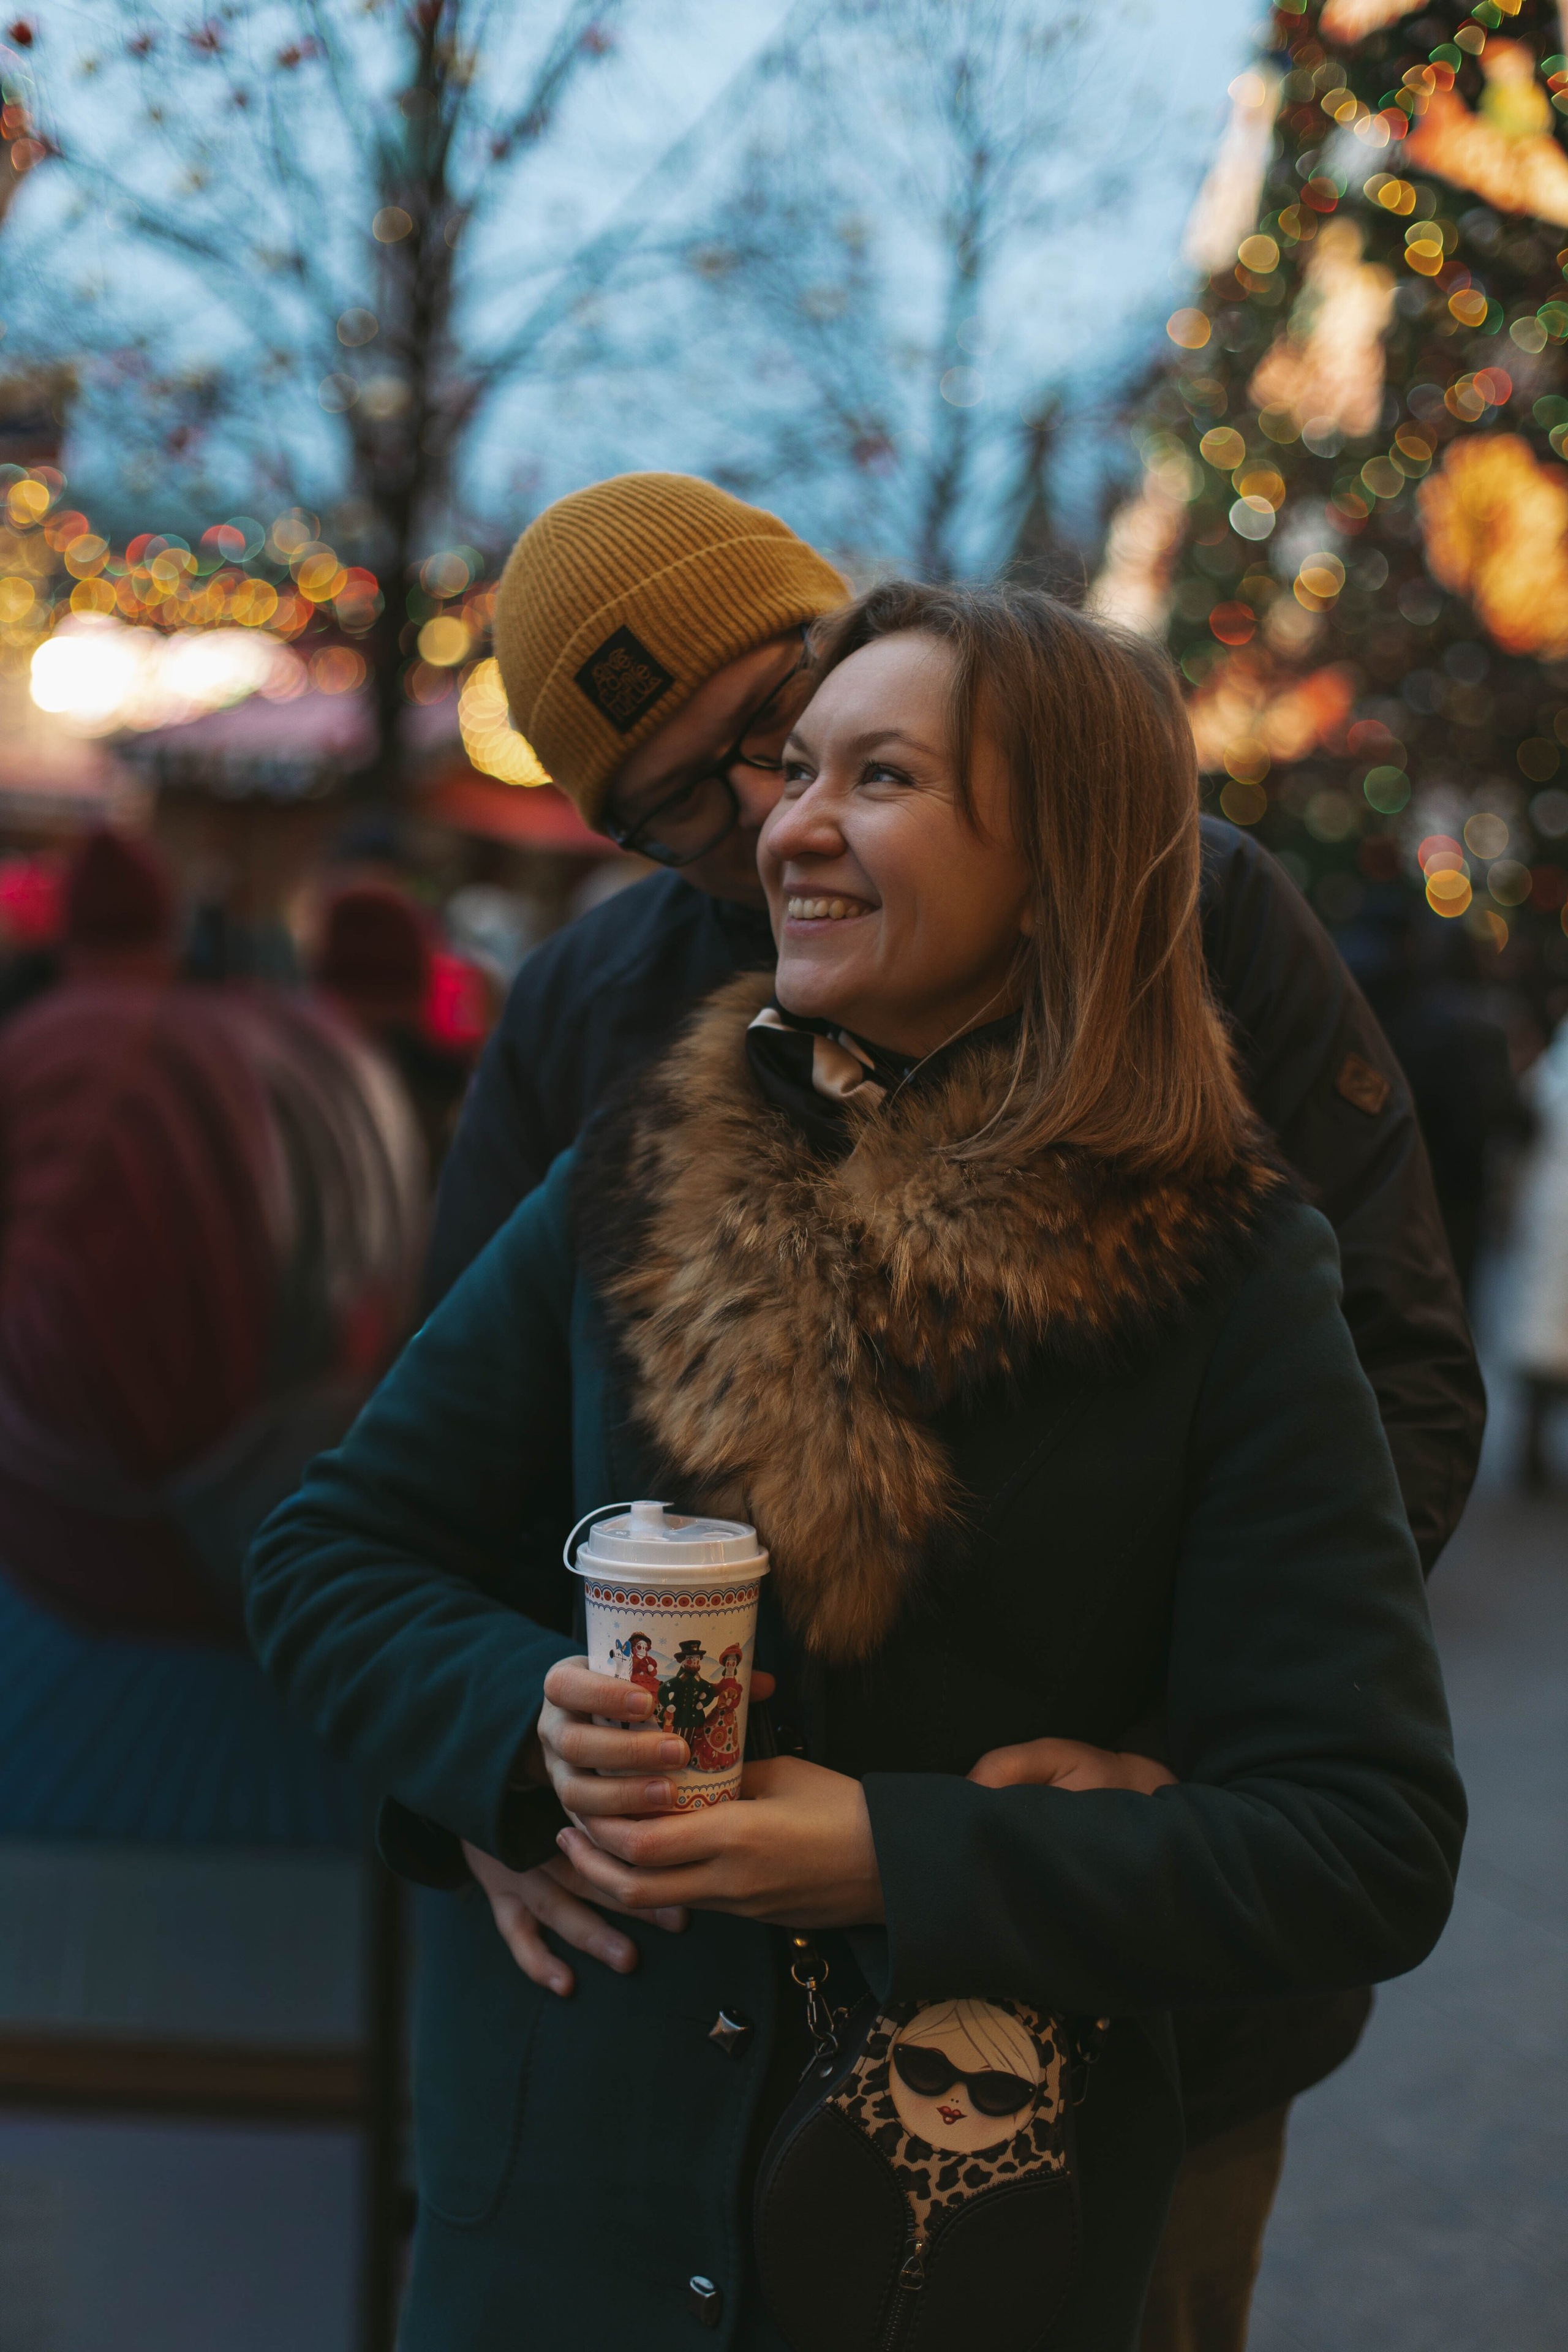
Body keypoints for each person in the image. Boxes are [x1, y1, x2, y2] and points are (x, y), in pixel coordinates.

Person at [247, 580, 1464, 2351]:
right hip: (570, 2203)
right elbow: (331, 1559)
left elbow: (1365, 1843)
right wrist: (516, 1735)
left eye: (874, 778)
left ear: (1058, 860)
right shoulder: (634, 1168)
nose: (789, 828)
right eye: (793, 772)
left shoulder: (1234, 1274)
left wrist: (902, 1853)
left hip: (953, 2231)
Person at [0, 826, 426, 1839]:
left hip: (115, 1584)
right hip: (293, 1556)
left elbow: (77, 1350)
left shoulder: (80, 1053)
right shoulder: (314, 1050)